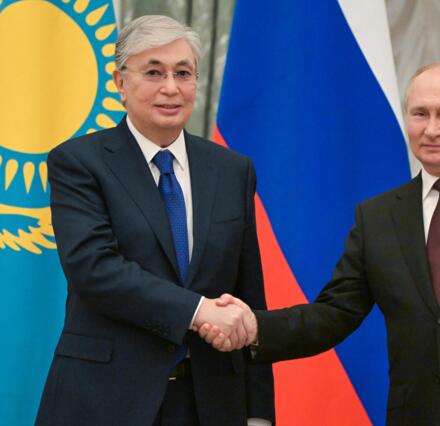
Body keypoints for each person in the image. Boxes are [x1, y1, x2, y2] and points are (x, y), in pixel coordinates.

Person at [198, 62, 440, 425]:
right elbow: (333, 314)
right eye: (420, 114)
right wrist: (254, 327)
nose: (432, 129)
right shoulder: (378, 217)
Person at [36, 15, 274, 426]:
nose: (171, 87)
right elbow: (95, 269)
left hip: (210, 403)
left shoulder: (233, 170)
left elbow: (247, 294)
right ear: (120, 83)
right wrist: (198, 311)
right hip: (106, 400)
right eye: (153, 72)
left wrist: (258, 413)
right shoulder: (78, 163)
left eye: (183, 73)